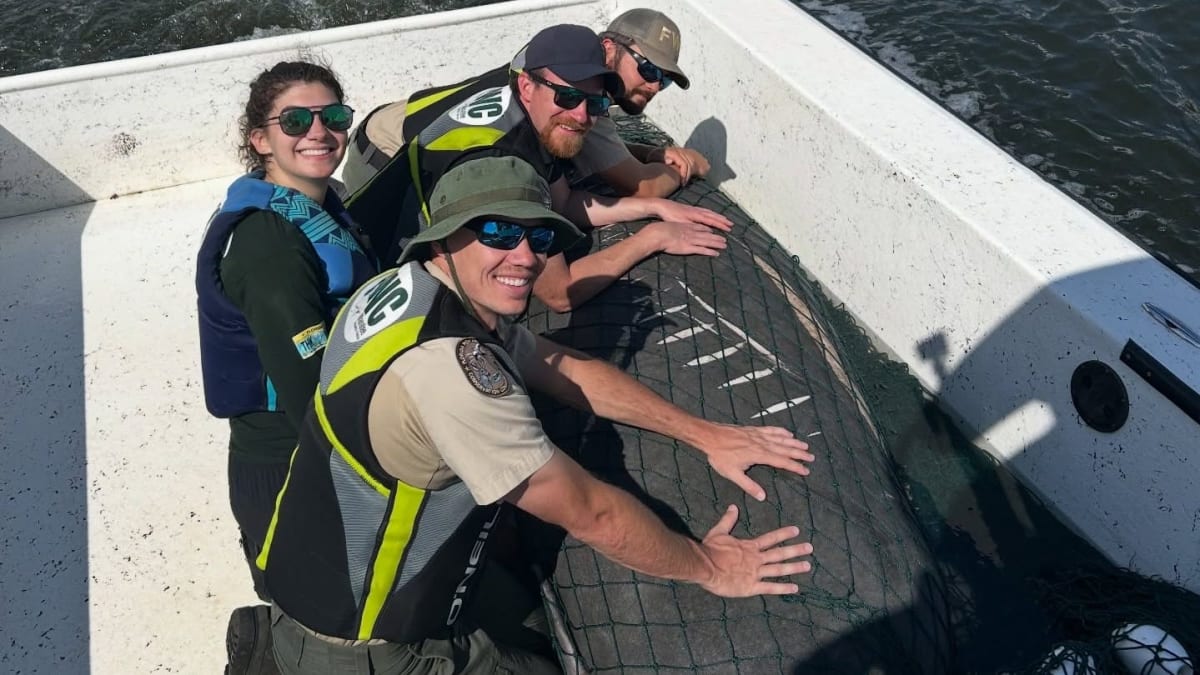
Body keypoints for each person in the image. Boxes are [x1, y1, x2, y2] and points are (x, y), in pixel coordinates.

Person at [258, 156, 816, 674]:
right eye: (498, 231)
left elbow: (552, 362)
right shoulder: (450, 372)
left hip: (311, 569)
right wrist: (712, 568)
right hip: (371, 644)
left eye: (540, 236)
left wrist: (704, 433)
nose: (525, 257)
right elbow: (590, 512)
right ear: (445, 235)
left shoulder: (401, 289)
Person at [343, 23, 733, 313]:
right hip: (379, 229)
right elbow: (559, 293)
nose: (581, 114)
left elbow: (562, 202)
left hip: (401, 145)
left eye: (595, 105)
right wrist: (653, 238)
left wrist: (652, 208)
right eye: (567, 96)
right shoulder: (511, 165)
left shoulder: (532, 111)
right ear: (529, 87)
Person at [194, 60, 377, 673]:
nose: (319, 131)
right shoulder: (270, 246)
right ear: (261, 139)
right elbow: (309, 394)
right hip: (289, 464)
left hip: (315, 440)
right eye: (296, 120)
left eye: (334, 117)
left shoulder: (323, 205)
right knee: (330, 626)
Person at [573, 8, 711, 197]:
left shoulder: (578, 66)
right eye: (649, 70)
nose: (654, 87)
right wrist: (690, 165)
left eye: (665, 79)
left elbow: (591, 145)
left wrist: (651, 153)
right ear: (609, 48)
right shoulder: (582, 99)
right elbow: (643, 187)